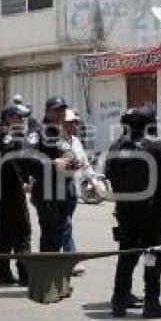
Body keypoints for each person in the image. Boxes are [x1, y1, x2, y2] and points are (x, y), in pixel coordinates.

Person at [105, 106, 161, 319]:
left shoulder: (116, 146)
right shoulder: (156, 145)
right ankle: (151, 303)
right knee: (153, 255)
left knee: (126, 255)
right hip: (151, 214)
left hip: (125, 212)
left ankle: (119, 300)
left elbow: (108, 174)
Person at [27, 96, 79, 253]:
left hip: (63, 189)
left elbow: (64, 152)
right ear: (48, 112)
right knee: (51, 233)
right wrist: (53, 163)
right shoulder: (37, 132)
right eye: (57, 110)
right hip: (46, 190)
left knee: (61, 232)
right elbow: (27, 157)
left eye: (63, 109)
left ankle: (57, 273)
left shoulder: (60, 132)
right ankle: (46, 272)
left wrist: (73, 162)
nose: (61, 113)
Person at [0, 104, 33, 285]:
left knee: (3, 233)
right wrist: (21, 182)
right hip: (9, 191)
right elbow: (10, 162)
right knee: (22, 233)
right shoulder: (5, 137)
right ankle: (26, 275)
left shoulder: (1, 135)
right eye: (19, 117)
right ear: (8, 118)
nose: (22, 121)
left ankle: (3, 273)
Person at [62, 108, 89, 275]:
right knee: (66, 224)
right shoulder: (56, 141)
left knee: (66, 224)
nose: (74, 126)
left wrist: (93, 180)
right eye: (70, 123)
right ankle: (71, 259)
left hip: (74, 190)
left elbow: (85, 163)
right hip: (59, 190)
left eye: (75, 123)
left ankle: (61, 258)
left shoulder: (76, 142)